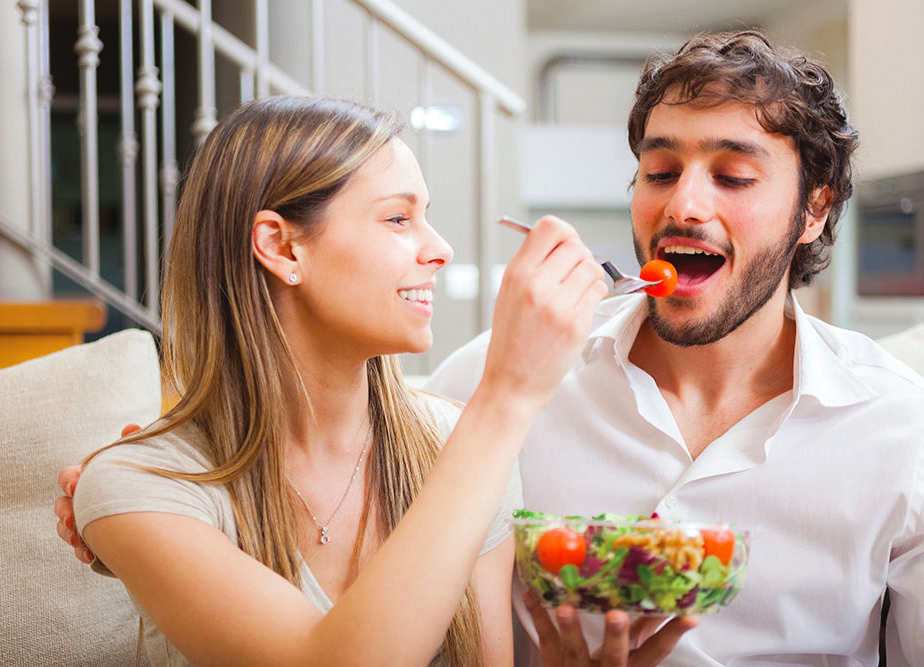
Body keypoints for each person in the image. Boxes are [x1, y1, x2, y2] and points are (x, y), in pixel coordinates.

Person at [52, 95, 697, 666]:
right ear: (281, 247)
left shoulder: (451, 442)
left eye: (426, 216)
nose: (440, 248)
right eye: (397, 219)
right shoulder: (139, 482)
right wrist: (509, 394)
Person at [424, 31, 924, 666]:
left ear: (814, 210)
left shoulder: (902, 427)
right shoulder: (492, 380)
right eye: (659, 173)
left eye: (734, 177)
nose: (683, 204)